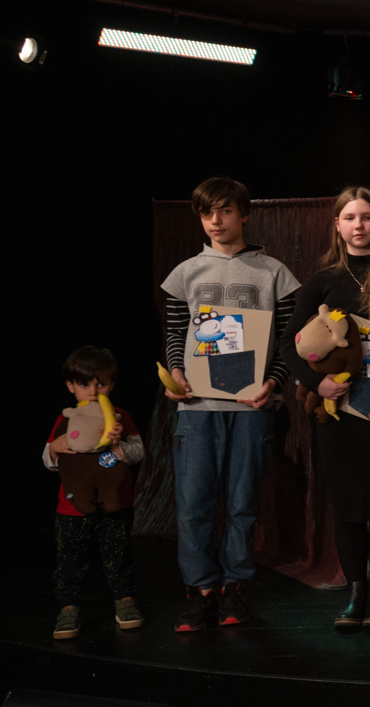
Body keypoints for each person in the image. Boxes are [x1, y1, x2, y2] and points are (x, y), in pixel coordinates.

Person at [160, 176, 299, 631]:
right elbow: (175, 334)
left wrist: (273, 384)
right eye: (207, 213)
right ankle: (200, 590)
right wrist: (177, 374)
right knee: (194, 503)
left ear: (244, 213)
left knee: (242, 501)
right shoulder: (186, 273)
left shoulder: (273, 272)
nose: (215, 221)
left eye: (224, 210)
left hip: (250, 405)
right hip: (198, 406)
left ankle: (235, 586)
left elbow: (289, 342)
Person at [277, 186, 370, 629]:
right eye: (351, 218)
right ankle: (355, 596)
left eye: (367, 217)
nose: (359, 225)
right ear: (337, 225)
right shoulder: (321, 282)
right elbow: (289, 343)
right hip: (336, 415)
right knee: (348, 505)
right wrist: (315, 381)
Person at [44, 347, 145, 640]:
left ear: (111, 384)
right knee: (70, 561)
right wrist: (54, 449)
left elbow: (138, 452)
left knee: (118, 557)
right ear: (70, 386)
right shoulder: (65, 419)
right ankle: (69, 607)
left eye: (101, 383)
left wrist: (117, 445)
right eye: (84, 384)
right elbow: (49, 461)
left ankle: (125, 601)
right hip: (71, 508)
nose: (93, 391)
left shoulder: (121, 416)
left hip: (115, 504)